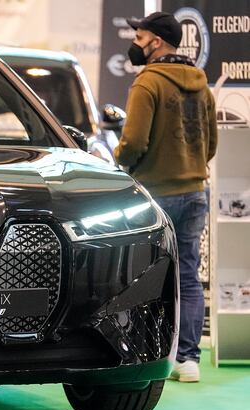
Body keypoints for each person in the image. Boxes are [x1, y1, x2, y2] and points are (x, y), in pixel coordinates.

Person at [114, 11, 217, 382]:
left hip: (156, 194)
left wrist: (116, 166)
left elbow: (134, 143)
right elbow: (211, 144)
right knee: (188, 275)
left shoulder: (148, 84)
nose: (135, 44)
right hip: (195, 191)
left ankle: (151, 354)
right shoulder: (201, 84)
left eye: (140, 37)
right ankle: (189, 359)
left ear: (156, 42)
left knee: (145, 277)